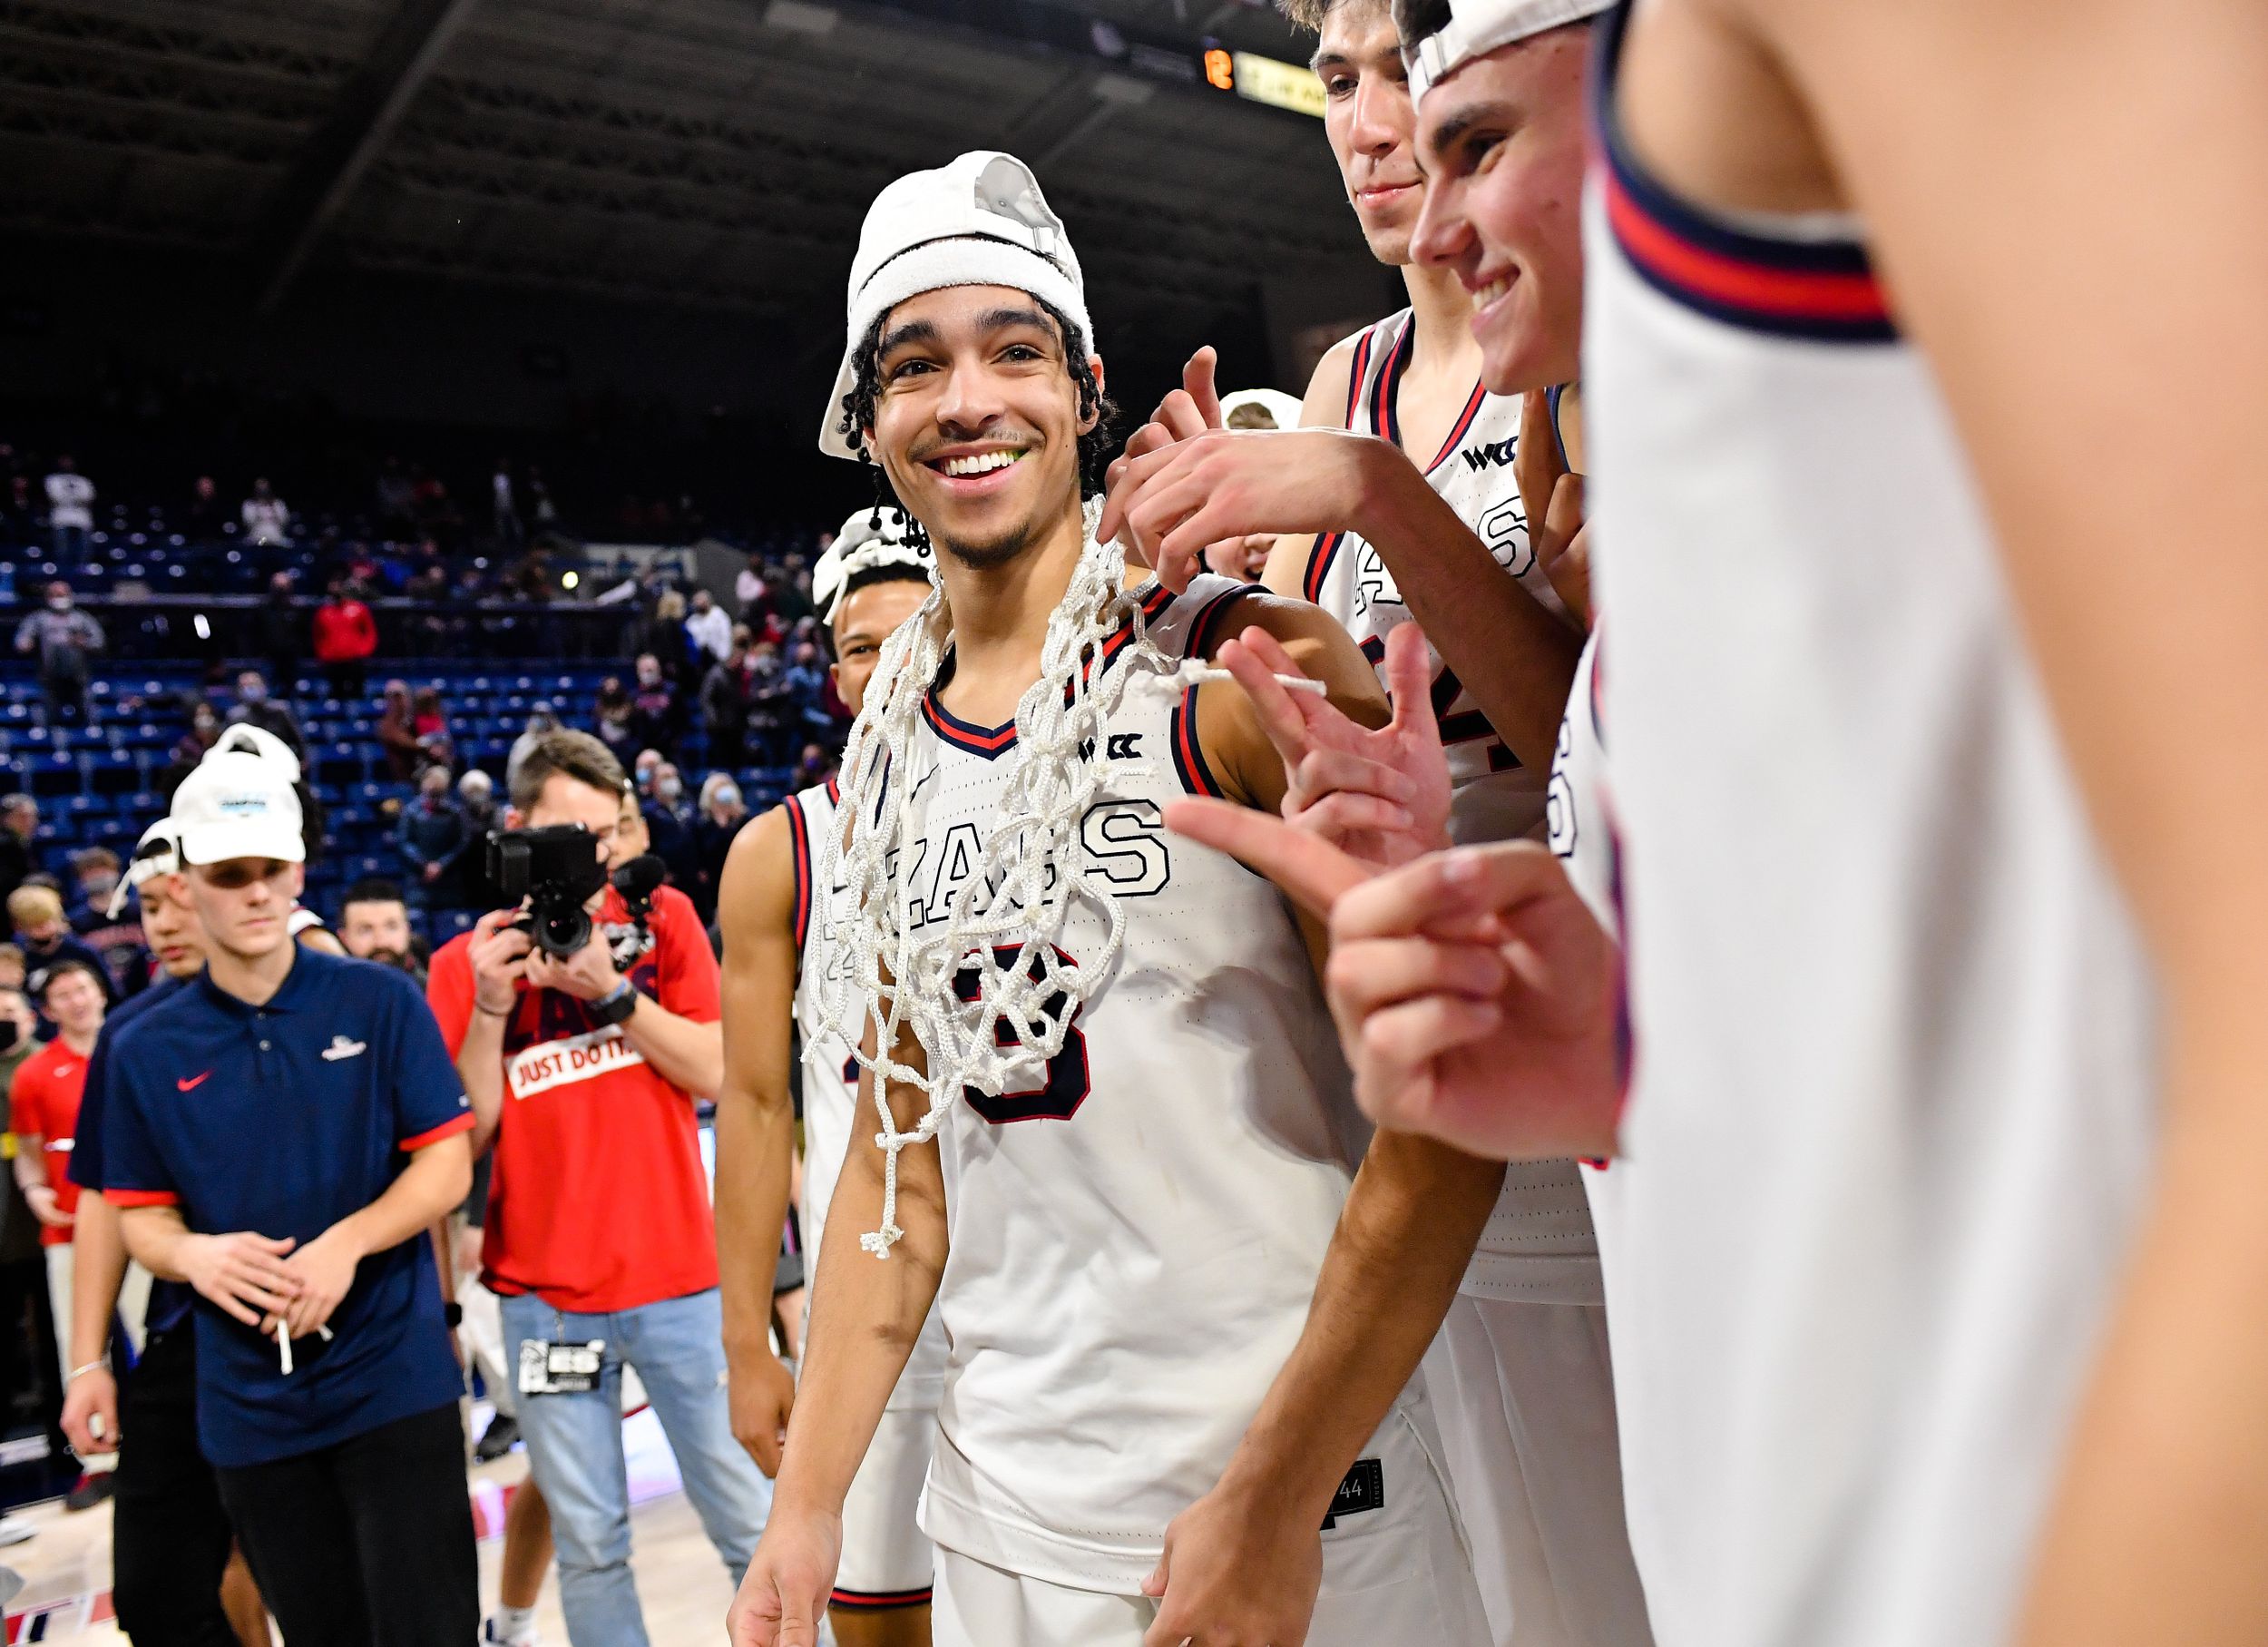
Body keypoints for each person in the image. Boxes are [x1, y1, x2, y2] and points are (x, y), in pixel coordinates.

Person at [728, 150, 1491, 1647]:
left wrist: (1274, 1497)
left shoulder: (1246, 674)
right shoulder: (878, 772)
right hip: (1001, 1520)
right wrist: (808, 1504)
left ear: (1084, 389)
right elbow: (895, 1184)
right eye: (914, 365)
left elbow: (1445, 1114)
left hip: (1298, 1511)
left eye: (1013, 350)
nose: (966, 400)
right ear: (866, 420)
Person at [1105, 6, 1646, 1642]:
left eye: (1399, 66)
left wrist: (1373, 497)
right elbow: (1329, 719)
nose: (1365, 117)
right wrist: (1191, 601)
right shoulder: (1349, 375)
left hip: (1581, 1069)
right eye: (1334, 78)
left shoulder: (1567, 346)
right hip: (1394, 1093)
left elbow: (1595, 747)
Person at [103, 756, 479, 1644]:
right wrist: (193, 1254)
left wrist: (346, 1244)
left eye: (273, 869)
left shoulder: (381, 1000)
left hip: (394, 1380)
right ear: (188, 881)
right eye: (233, 875)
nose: (258, 893)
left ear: (301, 870)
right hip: (248, 1406)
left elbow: (445, 1167)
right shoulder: (144, 1047)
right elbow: (139, 1215)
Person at [429, 729, 772, 1646]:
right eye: (566, 837)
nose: (590, 858)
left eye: (605, 834)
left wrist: (613, 992)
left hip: (679, 1281)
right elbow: (463, 1138)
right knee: (588, 1547)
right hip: (543, 1300)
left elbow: (718, 1069)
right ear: (514, 831)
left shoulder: (662, 925)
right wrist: (493, 1011)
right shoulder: (466, 963)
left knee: (751, 1527)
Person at [715, 517, 937, 1645]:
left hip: (1037, 1303)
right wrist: (746, 1340)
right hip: (870, 1310)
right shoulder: (779, 851)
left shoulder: (1062, 796)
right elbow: (753, 1109)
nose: (888, 663)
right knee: (873, 1619)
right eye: (860, 645)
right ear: (832, 670)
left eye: (913, 633)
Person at [64, 819, 341, 1646]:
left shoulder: (329, 998)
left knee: (323, 1585)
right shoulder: (132, 1035)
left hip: (321, 1328)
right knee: (156, 1593)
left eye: (181, 896)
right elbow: (102, 1201)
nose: (167, 920)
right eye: (150, 905)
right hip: (186, 1338)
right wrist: (88, 1360)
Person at [10, 957, 140, 1512]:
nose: (77, 1001)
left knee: (166, 1333)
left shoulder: (135, 1049)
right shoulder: (34, 1074)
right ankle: (100, 1461)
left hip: (142, 1218)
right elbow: (30, 1156)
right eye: (63, 994)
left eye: (83, 989)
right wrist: (35, 1193)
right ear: (48, 1008)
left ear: (100, 992)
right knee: (80, 1348)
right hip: (70, 1231)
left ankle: (189, 1434)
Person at [15, 581, 104, 727]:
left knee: (88, 718)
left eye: (62, 595)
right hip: (49, 679)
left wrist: (83, 643)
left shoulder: (81, 618)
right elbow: (21, 641)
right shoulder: (38, 619)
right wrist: (26, 643)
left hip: (78, 679)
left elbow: (99, 642)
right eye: (54, 595)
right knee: (48, 720)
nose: (59, 598)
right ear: (47, 597)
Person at [9, 887, 117, 1007]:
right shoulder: (19, 956)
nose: (44, 928)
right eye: (36, 925)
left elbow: (111, 992)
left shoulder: (80, 951)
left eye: (47, 921)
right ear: (20, 926)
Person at [70, 849, 151, 1001]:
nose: (97, 876)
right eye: (90, 872)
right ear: (80, 879)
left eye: (102, 869)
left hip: (146, 986)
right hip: (105, 994)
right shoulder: (75, 922)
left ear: (116, 872)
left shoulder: (141, 909)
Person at [398, 762, 469, 911]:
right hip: (419, 880)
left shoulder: (455, 813)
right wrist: (424, 865)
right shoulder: (411, 812)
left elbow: (462, 842)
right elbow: (405, 842)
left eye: (438, 793)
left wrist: (441, 865)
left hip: (448, 881)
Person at [337, 878, 422, 979]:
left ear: (407, 931)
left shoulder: (432, 989)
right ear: (344, 938)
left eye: (391, 927)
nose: (381, 942)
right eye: (365, 930)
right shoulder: (325, 992)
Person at [311, 579, 379, 702]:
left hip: (355, 659)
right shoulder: (323, 613)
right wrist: (323, 653)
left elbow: (370, 632)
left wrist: (365, 650)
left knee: (358, 693)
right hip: (333, 660)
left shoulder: (359, 609)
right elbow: (317, 636)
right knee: (337, 693)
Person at [694, 775, 748, 920]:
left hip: (740, 876)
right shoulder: (702, 824)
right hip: (714, 881)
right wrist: (721, 824)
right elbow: (707, 852)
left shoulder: (744, 819)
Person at [225, 669, 303, 760]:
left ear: (263, 687)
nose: (250, 689)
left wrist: (302, 759)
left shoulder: (280, 710)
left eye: (253, 685)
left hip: (278, 760)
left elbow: (297, 738)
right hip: (249, 763)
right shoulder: (234, 716)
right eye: (245, 686)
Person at [702, 633, 754, 768]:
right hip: (720, 727)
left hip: (737, 726)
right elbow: (707, 699)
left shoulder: (740, 676)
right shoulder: (716, 674)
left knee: (739, 762)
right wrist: (714, 720)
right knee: (722, 762)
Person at [256, 572, 300, 700]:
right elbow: (255, 632)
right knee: (267, 692)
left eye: (284, 585)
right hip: (269, 658)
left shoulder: (296, 610)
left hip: (291, 659)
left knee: (291, 694)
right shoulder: (263, 610)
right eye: (278, 585)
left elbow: (302, 633)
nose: (281, 589)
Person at [44, 456, 93, 566]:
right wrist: (75, 498)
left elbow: (88, 497)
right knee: (62, 550)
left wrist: (67, 498)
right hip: (61, 517)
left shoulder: (83, 480)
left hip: (82, 519)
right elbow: (55, 497)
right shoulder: (52, 480)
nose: (67, 464)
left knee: (84, 551)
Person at [377, 680, 423, 782]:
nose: (397, 701)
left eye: (400, 697)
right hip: (400, 778)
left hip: (421, 772)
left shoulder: (416, 719)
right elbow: (401, 741)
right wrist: (425, 745)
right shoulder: (386, 724)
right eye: (392, 698)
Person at [686, 587, 733, 665]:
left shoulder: (719, 615)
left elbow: (726, 636)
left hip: (719, 657)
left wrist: (724, 657)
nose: (698, 603)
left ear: (708, 601)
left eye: (701, 600)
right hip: (700, 659)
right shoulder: (691, 621)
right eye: (696, 601)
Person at [0, 797, 33, 908]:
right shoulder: (7, 846)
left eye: (32, 816)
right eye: (22, 817)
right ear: (5, 819)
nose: (29, 822)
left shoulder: (23, 843)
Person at [240, 479, 289, 546]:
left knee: (288, 545)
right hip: (257, 539)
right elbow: (248, 522)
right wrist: (257, 509)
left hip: (276, 539)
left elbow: (285, 521)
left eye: (265, 488)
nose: (263, 491)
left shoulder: (278, 504)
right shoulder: (249, 504)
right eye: (260, 489)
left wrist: (273, 509)